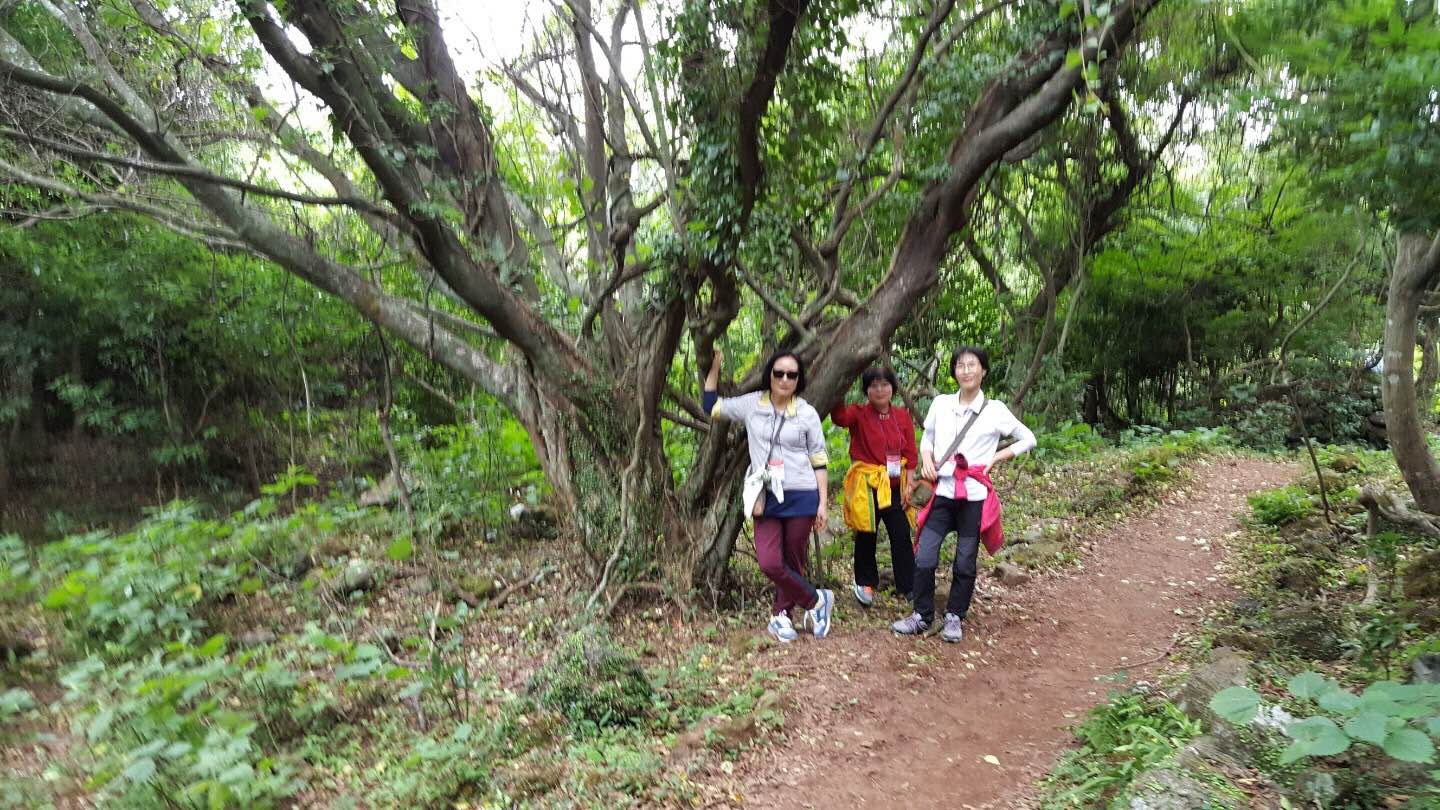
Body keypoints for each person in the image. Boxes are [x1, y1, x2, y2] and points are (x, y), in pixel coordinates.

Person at [891, 346, 1036, 643]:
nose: (966, 370)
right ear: (954, 371)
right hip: (943, 492)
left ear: (983, 371)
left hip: (973, 496)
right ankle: (922, 614)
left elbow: (1028, 438)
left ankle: (955, 616)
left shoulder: (995, 410)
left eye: (972, 365)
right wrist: (927, 459)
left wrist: (996, 458)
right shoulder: (941, 404)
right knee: (925, 555)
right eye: (960, 365)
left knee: (965, 560)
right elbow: (928, 437)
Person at [704, 348, 836, 643]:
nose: (785, 379)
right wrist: (714, 368)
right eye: (779, 373)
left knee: (793, 559)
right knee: (770, 562)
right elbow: (711, 406)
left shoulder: (806, 413)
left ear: (798, 379)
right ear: (770, 375)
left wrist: (822, 503)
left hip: (801, 493)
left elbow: (818, 459)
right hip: (766, 494)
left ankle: (781, 615)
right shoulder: (753, 404)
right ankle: (817, 601)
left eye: (792, 375)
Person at [831, 367, 918, 607]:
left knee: (901, 533)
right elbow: (840, 418)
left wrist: (910, 485)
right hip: (867, 486)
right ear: (866, 390)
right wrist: (839, 387)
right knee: (866, 533)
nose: (880, 390)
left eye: (884, 384)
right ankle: (865, 583)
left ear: (893, 388)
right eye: (873, 385)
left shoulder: (902, 415)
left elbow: (911, 453)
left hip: (894, 486)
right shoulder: (858, 413)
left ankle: (909, 586)